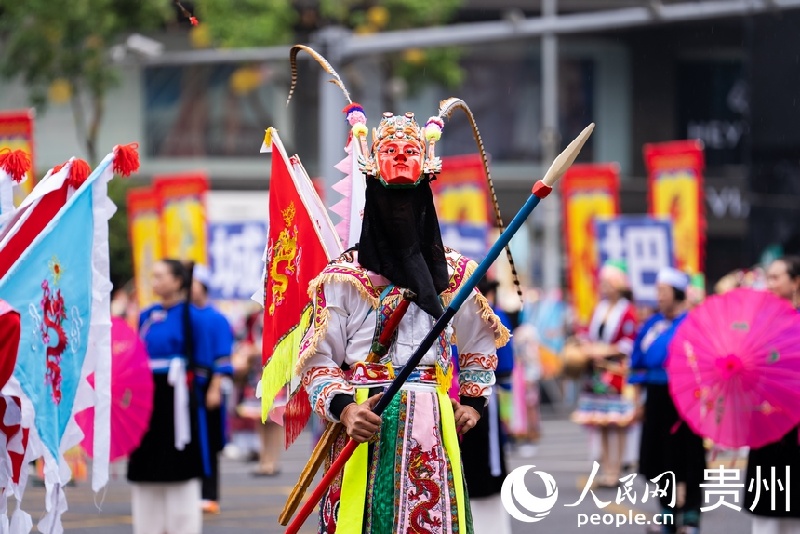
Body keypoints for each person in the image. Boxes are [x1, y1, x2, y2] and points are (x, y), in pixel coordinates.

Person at [295, 109, 509, 533]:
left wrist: (473, 403)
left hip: (431, 422)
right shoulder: (343, 279)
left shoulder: (454, 277)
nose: (399, 215)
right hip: (363, 422)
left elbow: (479, 346)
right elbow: (317, 360)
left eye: (409, 202)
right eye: (388, 202)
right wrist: (345, 408)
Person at [127, 259, 219, 534]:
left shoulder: (195, 317)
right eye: (152, 276)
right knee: (146, 460)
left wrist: (207, 387)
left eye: (160, 276)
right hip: (147, 397)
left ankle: (183, 525)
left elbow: (206, 361)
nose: (154, 282)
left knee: (182, 458)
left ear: (178, 281)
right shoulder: (146, 315)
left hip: (179, 398)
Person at [629, 267, 706, 534]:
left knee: (690, 455)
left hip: (687, 400)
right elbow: (637, 359)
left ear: (678, 293)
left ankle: (692, 516)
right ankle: (668, 513)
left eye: (663, 291)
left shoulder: (693, 323)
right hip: (657, 397)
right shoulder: (652, 324)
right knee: (659, 456)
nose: (658, 297)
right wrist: (639, 399)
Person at [744, 256, 800, 534]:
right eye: (769, 277)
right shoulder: (759, 326)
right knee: (764, 509)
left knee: (794, 508)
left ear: (796, 282)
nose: (771, 284)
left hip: (795, 426)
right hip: (764, 424)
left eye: (777, 277)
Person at [571, 259, 639, 486]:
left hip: (614, 372)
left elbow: (629, 343)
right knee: (600, 422)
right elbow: (588, 333)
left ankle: (615, 470)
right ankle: (605, 469)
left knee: (616, 423)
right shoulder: (599, 309)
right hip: (596, 371)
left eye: (608, 283)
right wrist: (584, 345)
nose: (604, 287)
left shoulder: (627, 311)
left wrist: (605, 350)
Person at [460, 277, 513, 534]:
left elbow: (502, 362)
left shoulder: (491, 314)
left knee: (486, 463)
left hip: (477, 396)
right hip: (453, 395)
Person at [190, 264, 235, 515]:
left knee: (209, 440)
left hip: (207, 384)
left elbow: (222, 358)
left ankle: (209, 494)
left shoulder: (216, 318)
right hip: (186, 385)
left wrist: (215, 387)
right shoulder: (183, 315)